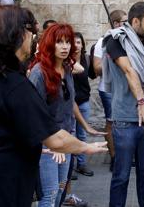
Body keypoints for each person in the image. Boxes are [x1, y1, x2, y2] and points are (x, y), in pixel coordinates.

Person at [0, 5, 106, 207]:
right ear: (14, 35)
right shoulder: (12, 83)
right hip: (1, 177)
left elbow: (0, 124)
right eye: (30, 30)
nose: (33, 35)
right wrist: (85, 147)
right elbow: (55, 139)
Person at [29, 24, 104, 207]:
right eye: (59, 42)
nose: (65, 47)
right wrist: (51, 144)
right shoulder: (39, 72)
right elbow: (34, 114)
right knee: (49, 194)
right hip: (48, 143)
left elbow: (70, 103)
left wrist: (84, 127)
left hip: (67, 138)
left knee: (60, 191)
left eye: (67, 42)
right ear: (48, 44)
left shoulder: (67, 69)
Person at [103, 2, 144, 207]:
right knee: (121, 176)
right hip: (126, 121)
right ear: (135, 21)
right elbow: (129, 71)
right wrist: (142, 101)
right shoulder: (115, 39)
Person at [92, 9, 127, 171]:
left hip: (124, 87)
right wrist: (112, 60)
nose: (126, 25)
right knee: (112, 122)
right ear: (116, 23)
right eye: (124, 21)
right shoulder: (103, 42)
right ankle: (114, 157)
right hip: (108, 89)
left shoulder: (126, 40)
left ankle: (124, 155)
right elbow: (97, 67)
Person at [72, 32, 94, 177]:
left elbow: (93, 74)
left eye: (79, 42)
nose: (76, 45)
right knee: (71, 133)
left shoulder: (86, 59)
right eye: (73, 42)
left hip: (83, 101)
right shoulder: (66, 60)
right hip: (70, 103)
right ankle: (69, 166)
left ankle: (81, 164)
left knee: (82, 134)